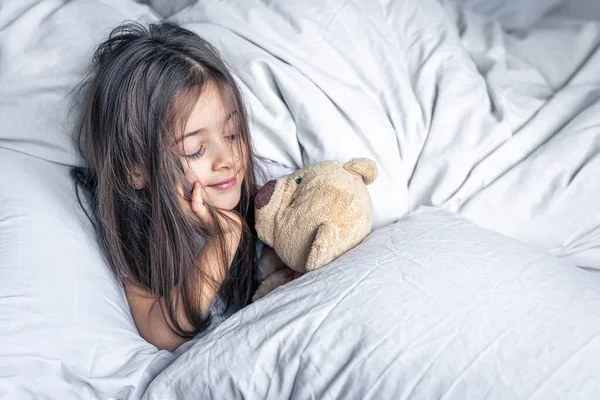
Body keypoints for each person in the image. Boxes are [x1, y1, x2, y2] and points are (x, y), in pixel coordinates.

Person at [72, 21, 258, 351]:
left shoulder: (263, 200)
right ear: (136, 170)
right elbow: (162, 333)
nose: (227, 158)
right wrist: (224, 237)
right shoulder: (132, 234)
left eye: (232, 134)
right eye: (195, 150)